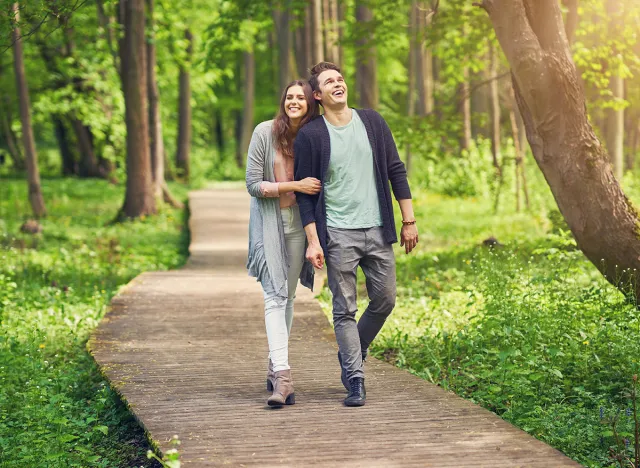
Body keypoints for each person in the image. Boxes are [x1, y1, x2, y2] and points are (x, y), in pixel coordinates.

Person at [294, 62, 419, 407]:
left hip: (377, 229)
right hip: (337, 233)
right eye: (329, 82)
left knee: (385, 299)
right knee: (344, 308)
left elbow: (396, 169)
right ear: (317, 95)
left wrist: (408, 220)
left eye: (340, 79)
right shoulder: (312, 135)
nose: (338, 84)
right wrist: (314, 240)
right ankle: (355, 378)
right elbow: (306, 195)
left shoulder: (373, 122)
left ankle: (353, 353)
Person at [246, 80, 321, 407]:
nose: (294, 101)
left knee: (287, 296)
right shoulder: (264, 133)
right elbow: (252, 184)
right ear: (283, 101)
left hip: (300, 224)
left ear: (308, 104)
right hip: (269, 224)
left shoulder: (313, 136)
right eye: (289, 96)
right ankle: (284, 376)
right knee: (275, 295)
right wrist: (296, 185)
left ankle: (275, 365)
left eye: (300, 98)